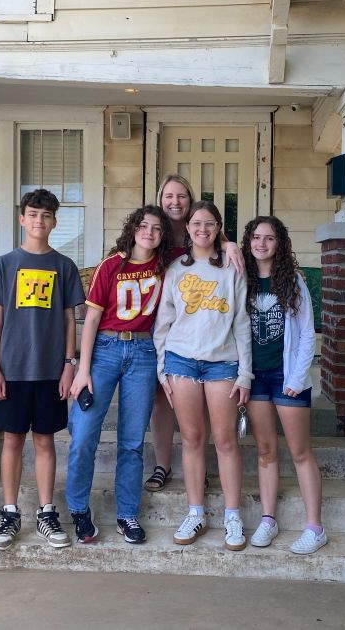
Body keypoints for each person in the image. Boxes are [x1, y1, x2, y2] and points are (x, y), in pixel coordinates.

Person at [65, 206, 174, 545]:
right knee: (83, 435)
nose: (150, 232)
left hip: (143, 353)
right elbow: (92, 320)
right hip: (105, 352)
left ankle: (127, 514)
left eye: (157, 228)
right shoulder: (111, 265)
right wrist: (82, 370)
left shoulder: (165, 267)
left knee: (131, 441)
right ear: (133, 228)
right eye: (144, 226)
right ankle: (79, 509)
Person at [0, 188, 85, 550]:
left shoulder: (64, 266)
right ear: (22, 219)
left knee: (45, 439)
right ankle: (10, 513)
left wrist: (68, 365)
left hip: (49, 370)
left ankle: (46, 512)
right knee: (12, 439)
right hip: (12, 369)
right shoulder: (4, 264)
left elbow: (70, 320)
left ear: (54, 222)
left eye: (46, 215)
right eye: (32, 214)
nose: (39, 221)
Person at [153, 201, 252, 550]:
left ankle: (232, 515)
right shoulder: (176, 268)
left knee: (225, 441)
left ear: (218, 227)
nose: (202, 229)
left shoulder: (231, 267)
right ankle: (195, 512)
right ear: (188, 228)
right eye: (196, 223)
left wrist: (245, 373)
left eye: (209, 224)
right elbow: (163, 322)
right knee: (192, 439)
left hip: (222, 363)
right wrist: (163, 368)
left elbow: (241, 322)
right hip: (181, 361)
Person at [144, 174, 244, 493]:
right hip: (161, 324)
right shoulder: (154, 234)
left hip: (204, 327)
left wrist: (230, 244)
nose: (175, 201)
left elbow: (220, 244)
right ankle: (163, 464)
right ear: (160, 199)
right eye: (168, 196)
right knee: (162, 398)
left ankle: (198, 468)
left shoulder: (205, 234)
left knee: (200, 398)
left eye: (181, 196)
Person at [241, 216, 327, 555]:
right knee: (265, 451)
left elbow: (307, 332)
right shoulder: (242, 282)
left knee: (300, 451)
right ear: (248, 242)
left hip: (287, 377)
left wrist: (295, 377)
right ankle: (268, 519)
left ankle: (314, 527)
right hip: (256, 378)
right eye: (256, 237)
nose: (262, 244)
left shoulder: (293, 282)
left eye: (270, 238)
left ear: (280, 244)